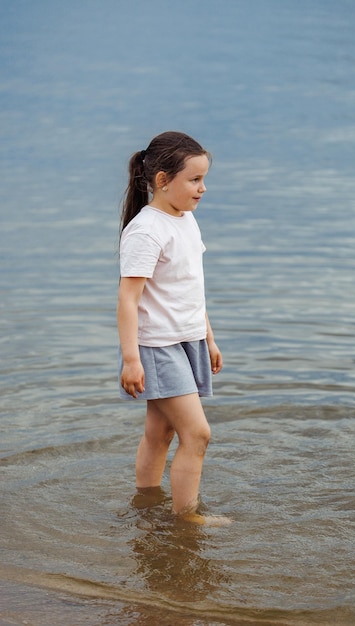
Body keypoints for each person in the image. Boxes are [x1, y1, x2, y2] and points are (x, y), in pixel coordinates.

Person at [117, 131, 230, 525]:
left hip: (188, 340)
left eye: (203, 179)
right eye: (194, 180)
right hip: (157, 346)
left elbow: (190, 288)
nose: (203, 188)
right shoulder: (147, 230)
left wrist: (209, 337)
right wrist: (131, 359)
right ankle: (188, 518)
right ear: (163, 180)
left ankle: (146, 502)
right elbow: (127, 299)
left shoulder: (186, 220)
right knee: (197, 434)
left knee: (160, 432)